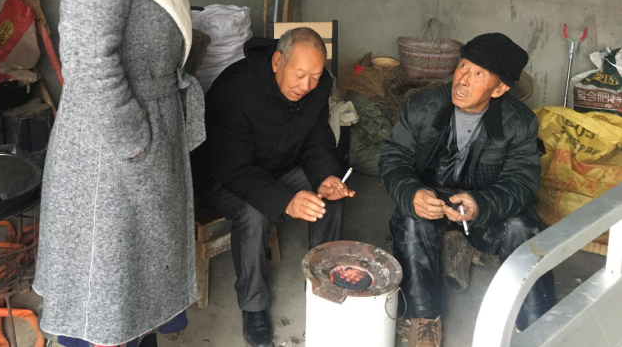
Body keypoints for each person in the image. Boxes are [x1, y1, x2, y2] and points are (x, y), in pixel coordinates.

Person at [33, 0, 218, 346]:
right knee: (107, 297)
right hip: (111, 156)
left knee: (134, 295)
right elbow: (88, 63)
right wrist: (137, 143)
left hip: (142, 137)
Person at [379, 33, 556, 347]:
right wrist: (413, 193)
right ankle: (423, 318)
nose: (462, 80)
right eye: (463, 66)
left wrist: (481, 204)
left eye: (478, 74)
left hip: (482, 206)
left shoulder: (520, 122)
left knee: (524, 228)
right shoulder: (422, 105)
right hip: (431, 198)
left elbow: (522, 184)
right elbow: (394, 156)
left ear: (499, 89)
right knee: (409, 221)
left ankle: (535, 330)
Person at [197, 28, 354, 347]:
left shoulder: (319, 86)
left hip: (277, 168)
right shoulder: (236, 88)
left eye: (314, 77)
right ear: (277, 61)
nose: (306, 86)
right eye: (300, 75)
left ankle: (322, 284)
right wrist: (286, 200)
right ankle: (254, 306)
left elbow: (317, 140)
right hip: (220, 176)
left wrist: (326, 176)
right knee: (254, 214)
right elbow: (234, 169)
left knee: (329, 198)